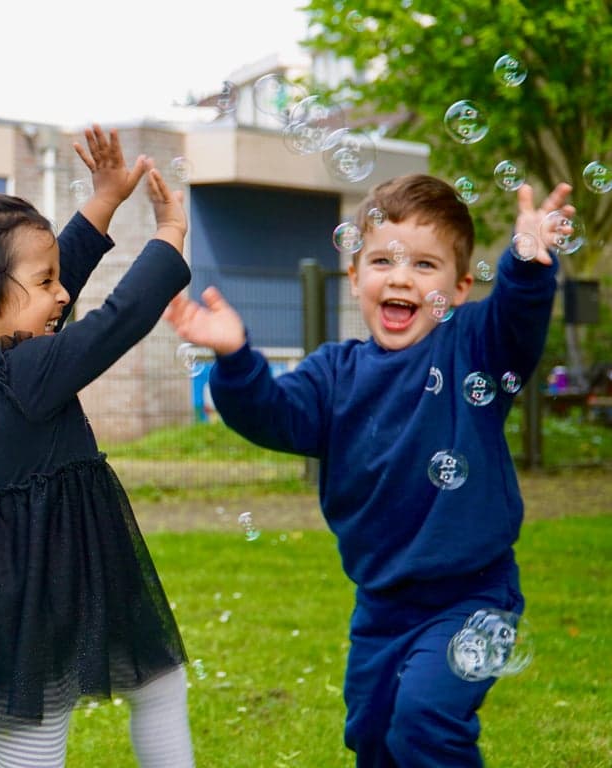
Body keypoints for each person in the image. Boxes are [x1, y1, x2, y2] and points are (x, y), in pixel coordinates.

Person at [165, 173, 574, 767]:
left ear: (459, 287)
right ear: (355, 277)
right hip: (381, 604)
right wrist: (235, 358)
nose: (402, 277)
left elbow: (516, 317)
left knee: (424, 722)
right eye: (382, 260)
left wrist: (527, 265)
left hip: (474, 595)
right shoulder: (333, 375)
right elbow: (273, 415)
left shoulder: (473, 350)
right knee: (376, 736)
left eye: (425, 265)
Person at [0, 127, 194, 767]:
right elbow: (116, 323)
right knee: (46, 721)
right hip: (26, 575)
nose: (62, 295)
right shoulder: (23, 371)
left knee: (153, 684)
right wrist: (168, 236)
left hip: (60, 550)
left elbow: (50, 287)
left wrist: (104, 201)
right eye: (45, 280)